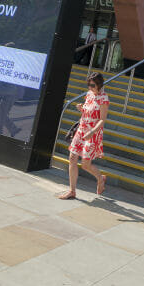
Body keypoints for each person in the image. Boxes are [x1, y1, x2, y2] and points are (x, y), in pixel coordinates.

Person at [58, 72, 109, 200]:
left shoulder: (104, 98)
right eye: (88, 85)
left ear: (99, 84)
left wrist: (91, 132)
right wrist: (82, 109)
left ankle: (100, 178)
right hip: (81, 130)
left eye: (92, 85)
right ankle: (72, 191)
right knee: (72, 157)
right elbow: (89, 112)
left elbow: (102, 120)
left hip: (93, 133)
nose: (90, 88)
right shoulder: (89, 94)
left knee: (86, 164)